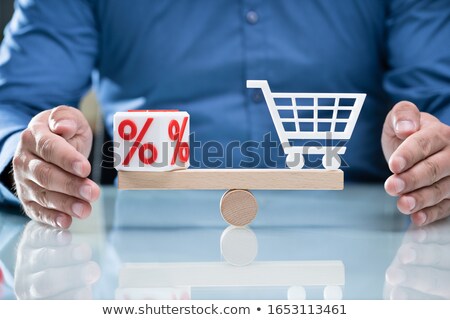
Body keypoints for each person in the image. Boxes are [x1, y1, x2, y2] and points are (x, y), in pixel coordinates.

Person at [0, 1, 449, 229]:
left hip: (383, 238)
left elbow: (438, 103)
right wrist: (27, 158)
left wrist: (432, 148)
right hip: (149, 259)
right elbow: (15, 107)